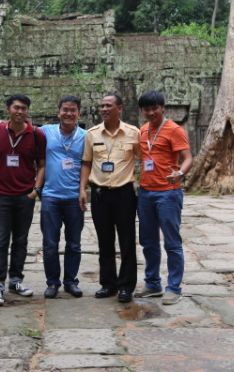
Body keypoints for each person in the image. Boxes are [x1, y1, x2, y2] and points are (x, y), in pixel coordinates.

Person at [78, 94, 140, 303]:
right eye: (102, 106)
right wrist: (82, 190)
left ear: (119, 109)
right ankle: (108, 284)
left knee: (127, 241)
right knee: (104, 241)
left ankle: (126, 286)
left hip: (124, 193)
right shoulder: (92, 134)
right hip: (100, 193)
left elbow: (144, 157)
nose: (104, 109)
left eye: (108, 105)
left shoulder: (133, 133)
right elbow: (86, 163)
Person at [135, 90, 192, 305]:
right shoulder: (142, 131)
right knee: (148, 241)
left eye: (154, 108)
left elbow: (188, 158)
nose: (151, 113)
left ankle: (174, 287)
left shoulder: (174, 130)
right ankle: (152, 283)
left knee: (172, 242)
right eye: (146, 109)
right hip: (146, 192)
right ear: (142, 111)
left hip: (168, 193)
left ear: (163, 108)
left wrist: (180, 173)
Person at [0, 94, 46, 306]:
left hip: (25, 195)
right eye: (16, 108)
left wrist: (36, 190)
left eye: (23, 108)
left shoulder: (36, 134)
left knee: (21, 240)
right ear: (8, 109)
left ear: (27, 111)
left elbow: (42, 164)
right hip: (2, 194)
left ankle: (15, 280)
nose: (19, 111)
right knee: (0, 240)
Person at [39, 96, 87, 299]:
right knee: (50, 242)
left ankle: (70, 281)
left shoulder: (86, 136)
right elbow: (19, 126)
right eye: (65, 109)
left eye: (73, 110)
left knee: (74, 242)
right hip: (50, 196)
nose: (69, 113)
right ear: (58, 112)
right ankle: (52, 282)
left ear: (78, 113)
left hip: (74, 197)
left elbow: (87, 163)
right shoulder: (45, 131)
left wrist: (83, 189)